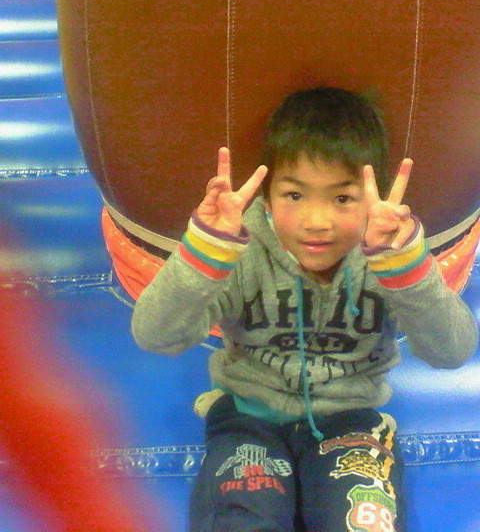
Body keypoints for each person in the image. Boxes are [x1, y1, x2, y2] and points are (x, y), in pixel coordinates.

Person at [131, 87, 478, 532]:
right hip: (248, 417)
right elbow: (155, 336)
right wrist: (203, 254)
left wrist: (406, 270)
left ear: (372, 198)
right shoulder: (241, 250)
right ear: (267, 197)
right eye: (295, 196)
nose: (317, 222)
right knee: (241, 522)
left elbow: (452, 350)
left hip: (350, 421)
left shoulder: (388, 254)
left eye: (342, 198)